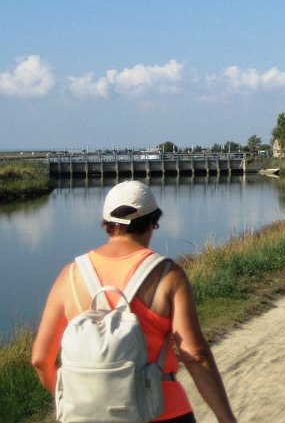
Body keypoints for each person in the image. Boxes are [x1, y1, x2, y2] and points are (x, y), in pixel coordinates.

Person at [31, 180, 237, 423]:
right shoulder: (167, 275)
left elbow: (40, 359)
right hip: (162, 410)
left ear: (107, 224)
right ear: (151, 223)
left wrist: (75, 400)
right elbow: (194, 355)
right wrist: (227, 419)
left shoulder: (71, 275)